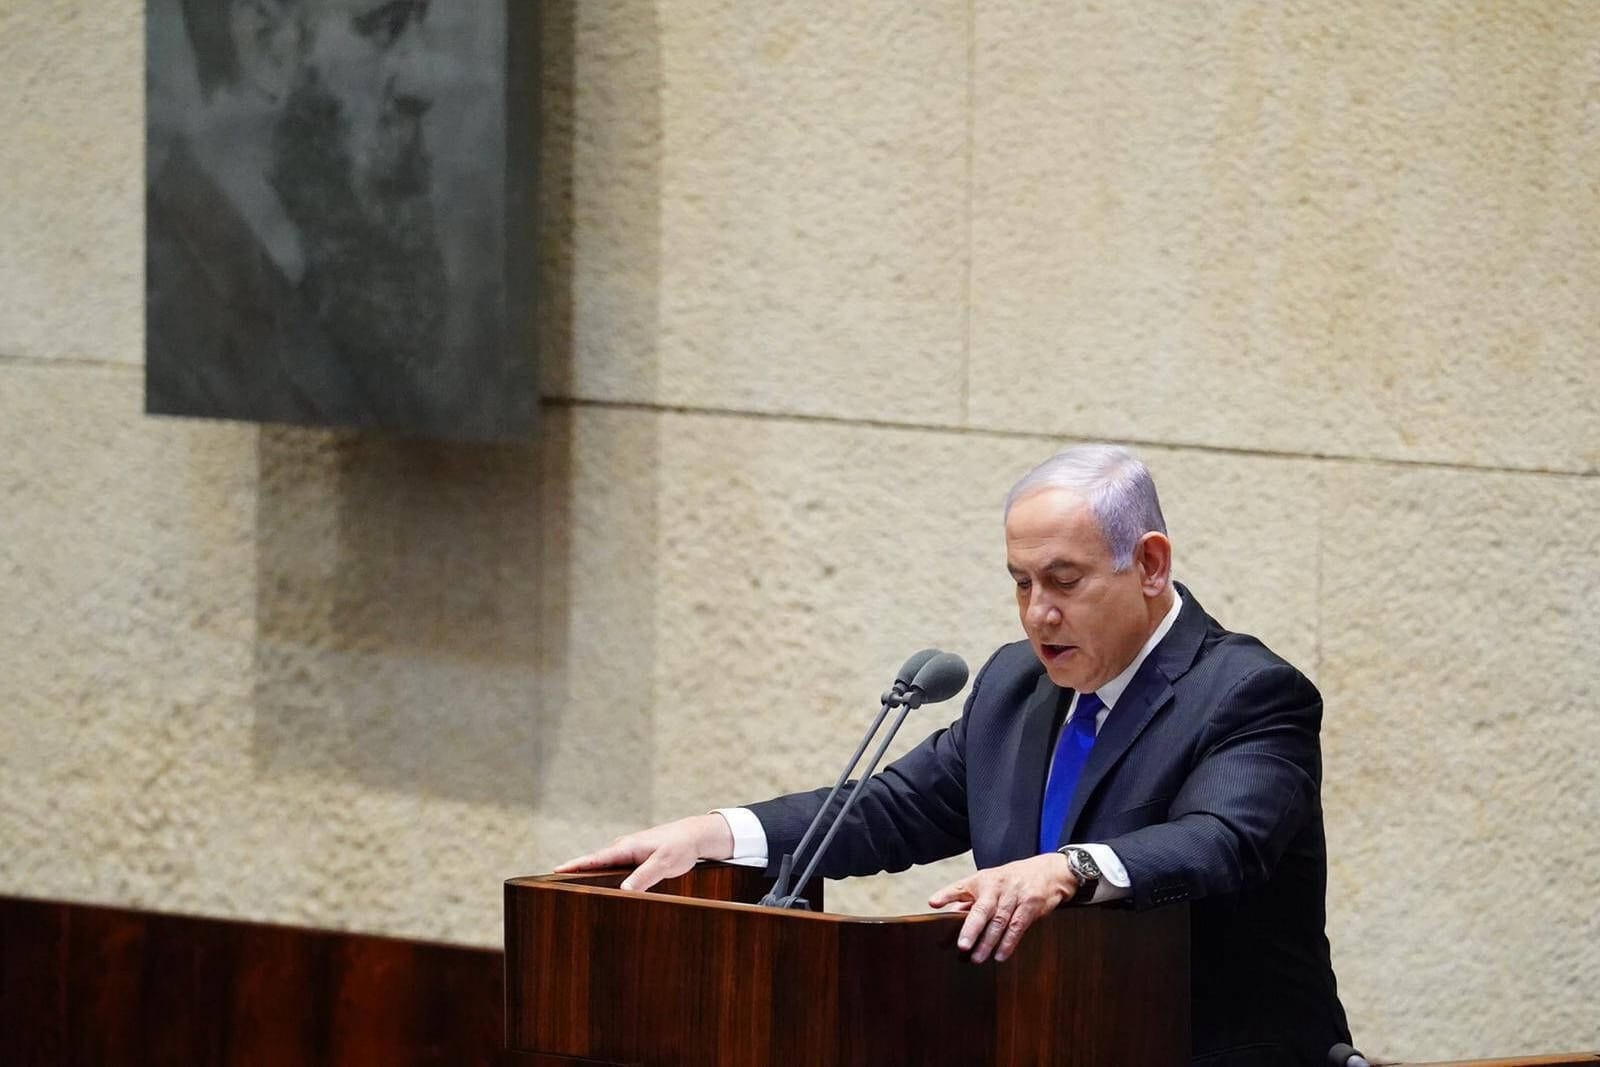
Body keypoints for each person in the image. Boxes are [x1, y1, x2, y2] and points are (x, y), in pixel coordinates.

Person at [559, 444, 1351, 1066]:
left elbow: (1223, 840)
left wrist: (1068, 867)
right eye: (1020, 581)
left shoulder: (1248, 692)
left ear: (1149, 564)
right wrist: (715, 833)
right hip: (1033, 1043)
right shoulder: (1016, 684)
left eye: (1064, 580)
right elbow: (896, 808)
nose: (1039, 613)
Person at [146, 0, 451, 430]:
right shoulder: (167, 341)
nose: (426, 81)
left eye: (421, 24)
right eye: (384, 26)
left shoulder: (336, 278)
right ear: (267, 39)